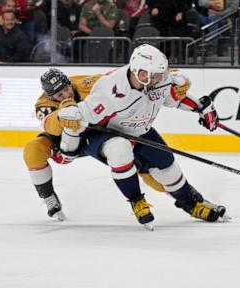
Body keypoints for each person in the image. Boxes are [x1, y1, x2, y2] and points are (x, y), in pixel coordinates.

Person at [57, 44, 228, 230]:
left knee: (168, 168)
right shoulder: (110, 89)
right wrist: (68, 147)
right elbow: (77, 116)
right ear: (139, 71)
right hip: (102, 134)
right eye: (153, 74)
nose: (158, 79)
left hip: (140, 131)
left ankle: (192, 203)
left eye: (159, 74)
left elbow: (174, 98)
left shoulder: (158, 79)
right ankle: (137, 201)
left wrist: (202, 108)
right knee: (119, 149)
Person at [23, 69, 102, 221]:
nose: (67, 95)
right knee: (32, 150)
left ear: (70, 83)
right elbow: (50, 127)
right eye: (60, 95)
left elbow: (120, 78)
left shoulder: (87, 83)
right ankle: (48, 196)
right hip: (61, 139)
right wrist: (64, 113)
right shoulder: (43, 104)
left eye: (67, 89)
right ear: (50, 97)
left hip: (95, 133)